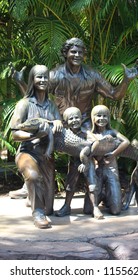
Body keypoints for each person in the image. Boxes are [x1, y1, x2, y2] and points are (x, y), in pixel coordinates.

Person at [9, 37, 138, 198]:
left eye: (80, 52)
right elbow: (34, 97)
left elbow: (114, 94)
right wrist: (20, 82)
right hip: (59, 122)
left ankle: (98, 189)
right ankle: (31, 184)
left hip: (83, 122)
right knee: (36, 143)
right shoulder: (55, 74)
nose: (77, 55)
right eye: (73, 51)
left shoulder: (93, 75)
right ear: (66, 53)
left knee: (94, 147)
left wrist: (126, 81)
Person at [10, 65, 63, 229]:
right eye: (39, 77)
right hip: (28, 152)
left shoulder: (52, 105)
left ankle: (33, 197)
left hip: (46, 155)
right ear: (32, 80)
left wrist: (59, 122)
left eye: (45, 77)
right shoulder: (24, 104)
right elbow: (15, 134)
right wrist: (35, 135)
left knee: (50, 208)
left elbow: (59, 126)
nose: (43, 80)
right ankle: (37, 213)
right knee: (33, 176)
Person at [54, 107, 104, 219]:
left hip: (87, 161)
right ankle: (66, 206)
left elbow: (96, 142)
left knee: (91, 183)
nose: (75, 120)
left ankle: (95, 207)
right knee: (70, 184)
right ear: (66, 122)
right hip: (74, 161)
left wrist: (88, 154)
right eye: (71, 118)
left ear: (81, 119)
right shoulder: (65, 134)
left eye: (77, 117)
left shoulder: (85, 133)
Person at [90, 105, 130, 215]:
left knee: (116, 211)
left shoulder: (112, 132)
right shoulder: (90, 134)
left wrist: (113, 154)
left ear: (108, 118)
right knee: (88, 210)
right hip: (97, 169)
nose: (102, 118)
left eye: (105, 116)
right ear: (93, 118)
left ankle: (112, 196)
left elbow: (126, 142)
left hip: (111, 169)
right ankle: (104, 195)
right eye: (98, 115)